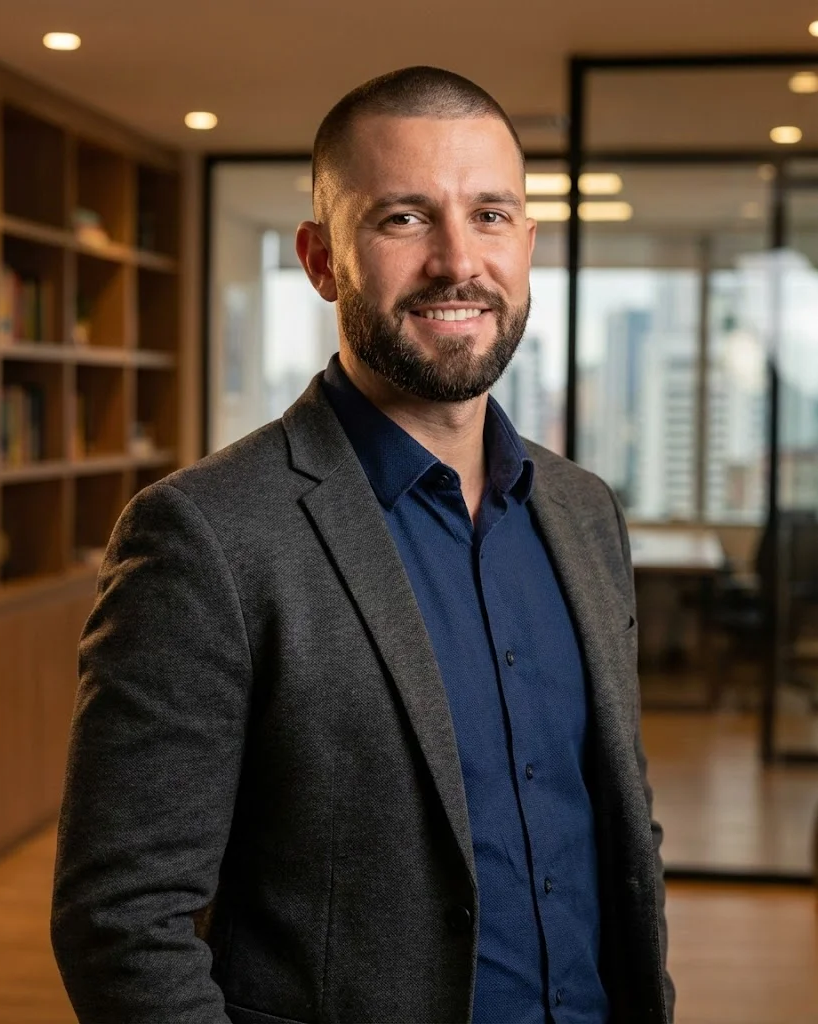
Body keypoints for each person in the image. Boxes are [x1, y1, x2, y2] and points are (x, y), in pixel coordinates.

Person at [51, 66, 674, 1024]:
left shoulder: (584, 512)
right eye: (403, 218)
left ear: (529, 243)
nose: (457, 261)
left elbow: (620, 840)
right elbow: (122, 922)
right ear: (320, 258)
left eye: (492, 215)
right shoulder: (206, 535)